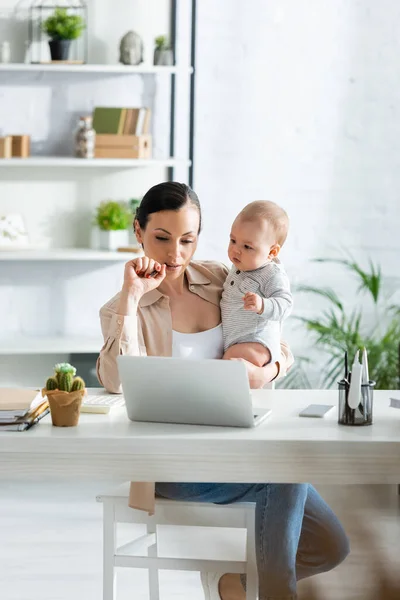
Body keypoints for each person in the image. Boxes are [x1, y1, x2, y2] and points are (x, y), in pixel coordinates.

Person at [97, 182, 349, 600]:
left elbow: (281, 345)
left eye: (187, 240)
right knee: (286, 477)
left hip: (237, 445)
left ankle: (233, 585)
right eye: (161, 238)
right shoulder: (123, 307)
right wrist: (132, 296)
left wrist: (265, 370)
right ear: (138, 231)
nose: (175, 254)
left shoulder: (222, 278)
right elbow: (114, 382)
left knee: (332, 545)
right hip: (169, 463)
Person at [221, 200, 293, 369]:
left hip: (256, 342)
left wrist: (263, 305)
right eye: (233, 240)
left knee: (229, 364)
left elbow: (286, 304)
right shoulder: (240, 266)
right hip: (236, 340)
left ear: (272, 252)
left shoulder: (271, 274)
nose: (236, 250)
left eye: (247, 246)